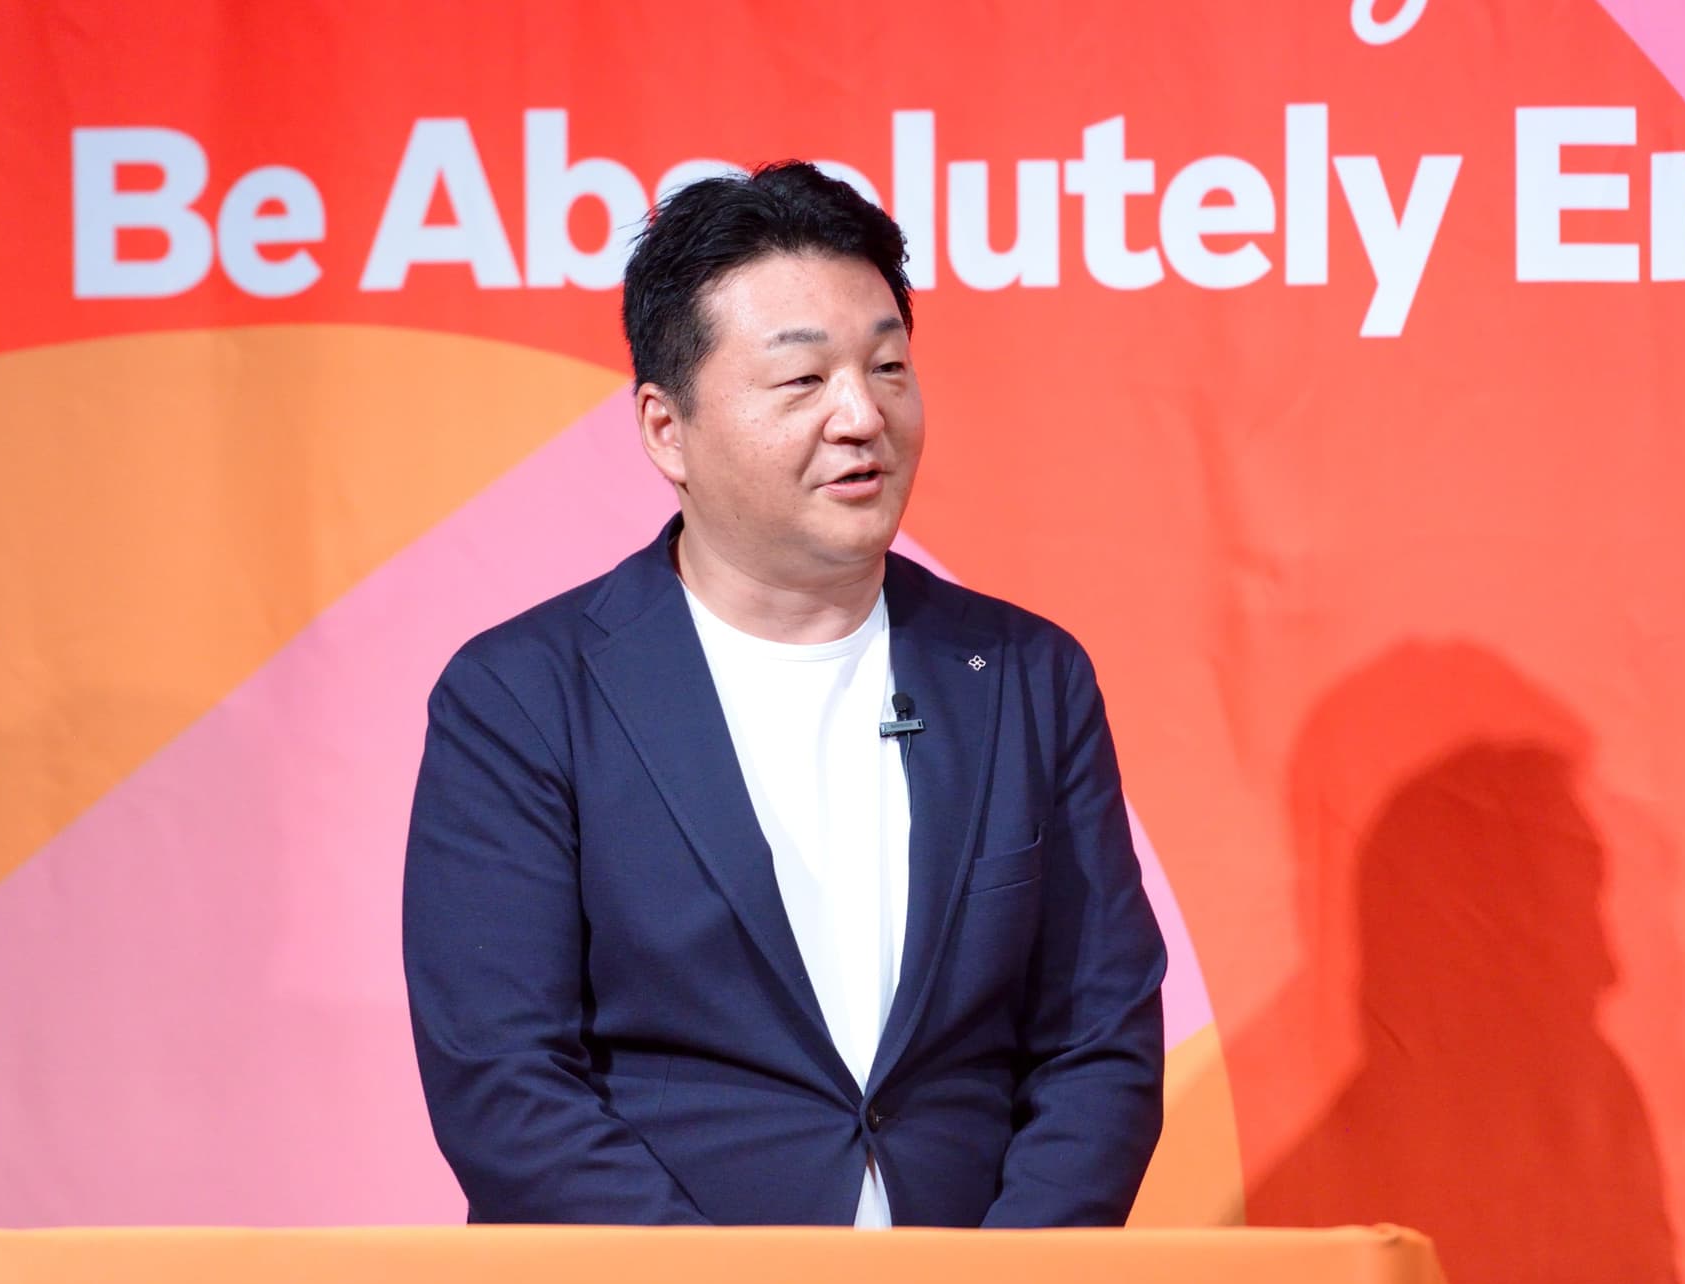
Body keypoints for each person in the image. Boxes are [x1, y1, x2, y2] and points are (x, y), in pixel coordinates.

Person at [402, 161, 1167, 1228]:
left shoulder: (1024, 675)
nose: (862, 415)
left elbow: (1099, 1041)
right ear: (666, 428)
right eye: (803, 380)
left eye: (888, 366)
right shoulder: (524, 697)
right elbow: (505, 1083)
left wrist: (1006, 1283)